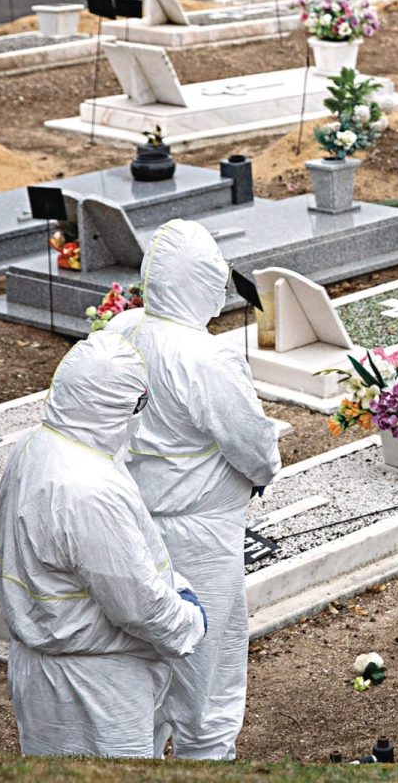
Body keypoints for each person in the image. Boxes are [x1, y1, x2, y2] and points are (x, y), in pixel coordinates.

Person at [109, 220, 282, 760]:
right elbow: (252, 444)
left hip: (134, 520)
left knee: (145, 669)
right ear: (198, 283)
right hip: (200, 534)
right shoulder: (205, 356)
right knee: (209, 679)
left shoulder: (124, 330)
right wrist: (263, 472)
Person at [0, 330, 208, 758]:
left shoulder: (36, 445)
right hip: (97, 684)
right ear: (113, 408)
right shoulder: (88, 489)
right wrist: (189, 621)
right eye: (137, 407)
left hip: (45, 665)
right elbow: (135, 603)